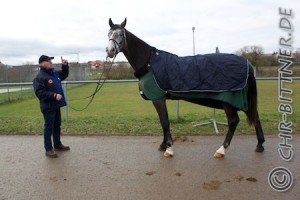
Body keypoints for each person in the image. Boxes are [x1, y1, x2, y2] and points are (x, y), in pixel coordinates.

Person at [33, 55, 70, 158]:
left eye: (50, 61)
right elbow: (39, 93)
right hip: (48, 106)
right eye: (48, 61)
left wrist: (65, 66)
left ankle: (57, 144)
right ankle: (48, 149)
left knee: (57, 126)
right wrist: (53, 95)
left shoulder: (54, 73)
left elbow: (64, 75)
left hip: (56, 105)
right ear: (42, 63)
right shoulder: (39, 77)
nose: (51, 62)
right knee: (48, 128)